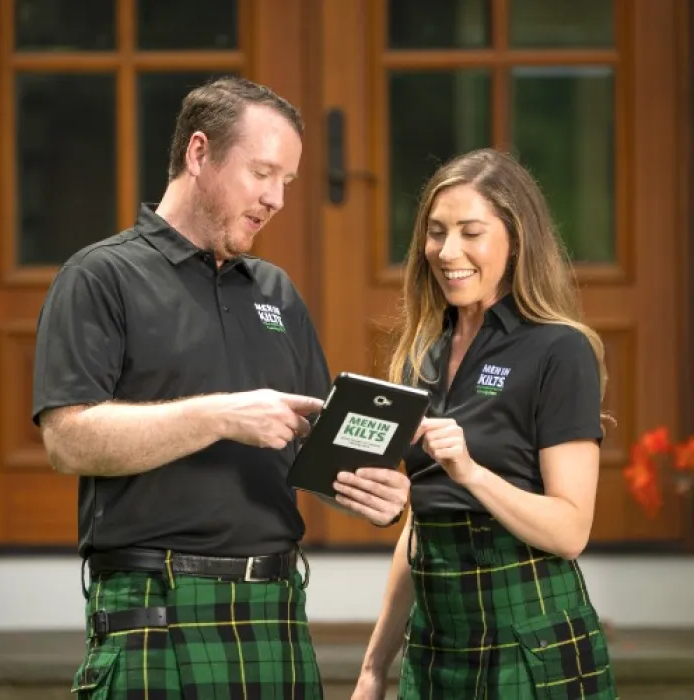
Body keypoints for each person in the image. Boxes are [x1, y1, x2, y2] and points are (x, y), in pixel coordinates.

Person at [32, 76, 409, 699]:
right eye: (262, 173)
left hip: (278, 612)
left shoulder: (276, 292)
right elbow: (68, 440)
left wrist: (371, 491)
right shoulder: (100, 277)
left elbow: (316, 456)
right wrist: (222, 416)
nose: (277, 198)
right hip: (155, 610)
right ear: (199, 153)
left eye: (286, 181)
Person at [349, 148, 617, 699]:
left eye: (472, 232)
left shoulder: (559, 350)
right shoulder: (419, 354)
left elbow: (570, 531)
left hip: (530, 642)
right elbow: (420, 525)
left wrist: (470, 472)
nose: (448, 252)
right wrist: (375, 666)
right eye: (436, 232)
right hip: (435, 646)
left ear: (516, 239)